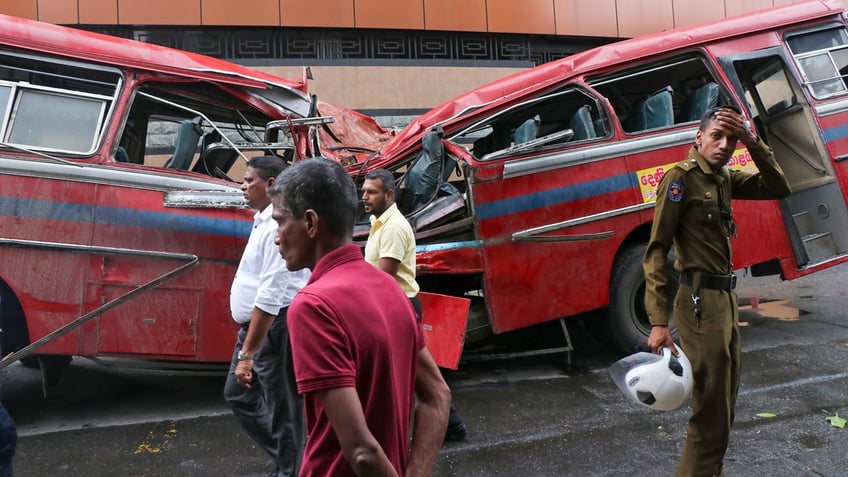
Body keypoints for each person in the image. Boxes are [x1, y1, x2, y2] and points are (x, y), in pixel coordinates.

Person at [268, 157, 451, 477]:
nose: (277, 236)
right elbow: (438, 394)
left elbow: (361, 451)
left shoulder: (313, 306)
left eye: (280, 222)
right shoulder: (389, 287)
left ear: (310, 223)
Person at [643, 106, 791, 477]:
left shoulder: (723, 178)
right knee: (709, 414)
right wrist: (658, 322)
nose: (724, 146)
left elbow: (778, 186)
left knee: (724, 409)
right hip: (698, 303)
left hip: (724, 299)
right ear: (699, 138)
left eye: (731, 140)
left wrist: (752, 140)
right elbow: (656, 251)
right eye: (716, 137)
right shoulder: (680, 179)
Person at [360, 168, 468, 442]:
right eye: (363, 191)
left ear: (389, 194)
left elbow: (385, 277)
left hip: (399, 307)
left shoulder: (394, 227)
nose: (365, 197)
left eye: (371, 192)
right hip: (397, 306)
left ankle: (442, 426)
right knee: (418, 374)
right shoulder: (380, 222)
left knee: (403, 376)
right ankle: (451, 425)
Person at [223, 155, 310, 477]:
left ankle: (291, 469)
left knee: (283, 406)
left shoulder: (278, 225)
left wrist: (248, 354)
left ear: (271, 184)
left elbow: (272, 295)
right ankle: (293, 464)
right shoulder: (262, 220)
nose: (242, 186)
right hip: (258, 327)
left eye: (249, 181)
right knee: (239, 395)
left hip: (275, 327)